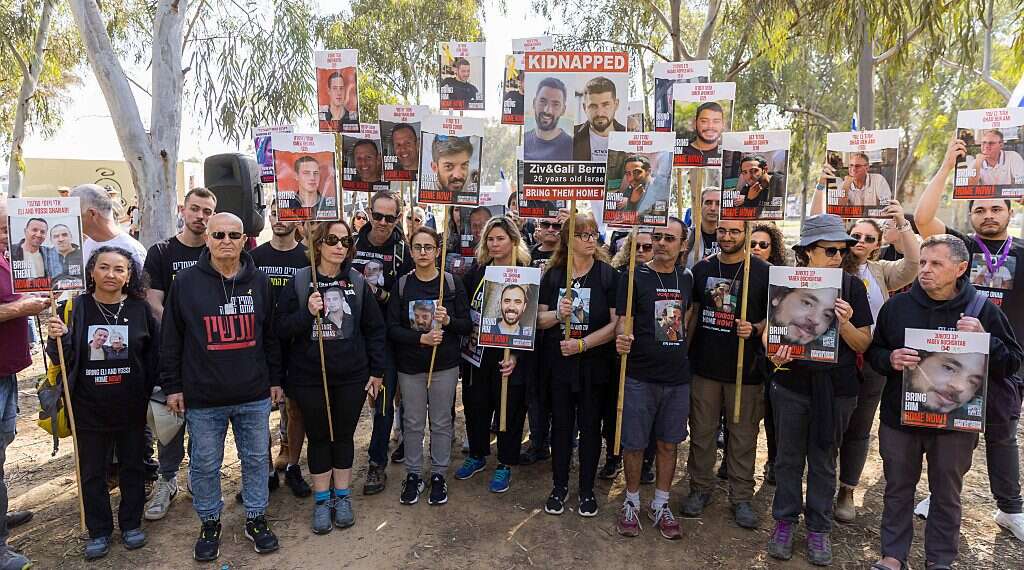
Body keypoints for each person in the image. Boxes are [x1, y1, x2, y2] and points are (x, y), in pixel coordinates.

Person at [867, 234, 1023, 570]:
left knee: (947, 494)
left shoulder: (983, 311)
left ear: (960, 267)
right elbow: (873, 353)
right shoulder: (897, 307)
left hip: (955, 424)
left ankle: (940, 560)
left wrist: (985, 340)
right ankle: (893, 556)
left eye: (936, 263)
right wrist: (890, 359)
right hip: (901, 419)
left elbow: (1012, 362)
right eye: (923, 262)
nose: (925, 270)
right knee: (897, 488)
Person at [914, 136, 1024, 540]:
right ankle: (941, 496)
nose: (988, 214)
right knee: (947, 433)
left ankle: (1010, 509)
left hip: (1004, 361)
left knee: (1002, 436)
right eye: (980, 208)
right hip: (955, 359)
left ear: (1011, 210)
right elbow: (923, 219)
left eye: (997, 208)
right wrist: (947, 165)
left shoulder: (1022, 251)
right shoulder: (960, 247)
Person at [160, 213, 284, 562]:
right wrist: (173, 387)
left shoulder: (259, 282)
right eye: (218, 234)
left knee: (258, 460)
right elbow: (171, 339)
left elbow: (271, 336)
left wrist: (276, 380)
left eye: (233, 234)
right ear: (208, 239)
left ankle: (256, 517)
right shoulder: (184, 282)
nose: (225, 240)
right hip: (203, 397)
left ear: (245, 239)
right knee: (203, 464)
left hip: (254, 394)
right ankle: (210, 522)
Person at [763, 214, 872, 566]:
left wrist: (843, 324)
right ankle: (784, 522)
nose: (838, 256)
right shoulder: (785, 282)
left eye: (842, 250)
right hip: (792, 385)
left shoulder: (853, 287)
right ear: (808, 252)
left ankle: (818, 529)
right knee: (788, 458)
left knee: (824, 461)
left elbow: (863, 343)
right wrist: (774, 351)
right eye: (830, 250)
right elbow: (769, 335)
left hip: (836, 390)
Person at [809, 191, 921, 522]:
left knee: (858, 428)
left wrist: (902, 222)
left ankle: (846, 490)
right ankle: (820, 488)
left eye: (868, 238)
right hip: (827, 356)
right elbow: (812, 232)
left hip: (869, 359)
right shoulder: (826, 262)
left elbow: (914, 263)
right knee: (825, 425)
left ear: (877, 244)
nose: (860, 241)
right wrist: (821, 188)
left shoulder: (882, 271)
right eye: (855, 235)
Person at [46, 247, 159, 561]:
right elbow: (61, 357)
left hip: (131, 407)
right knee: (93, 472)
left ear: (129, 276)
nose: (111, 275)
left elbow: (153, 355)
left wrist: (146, 392)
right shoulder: (74, 307)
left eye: (119, 269)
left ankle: (131, 523)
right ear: (91, 271)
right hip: (87, 407)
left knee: (133, 468)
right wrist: (58, 337)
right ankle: (98, 530)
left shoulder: (140, 309)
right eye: (104, 267)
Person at [276, 220, 385, 533]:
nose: (340, 246)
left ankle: (343, 497)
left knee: (343, 437)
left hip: (351, 376)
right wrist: (306, 313)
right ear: (319, 244)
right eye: (332, 240)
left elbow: (374, 329)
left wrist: (376, 371)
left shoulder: (357, 282)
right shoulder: (300, 282)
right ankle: (322, 500)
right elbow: (281, 329)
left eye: (345, 240)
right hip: (310, 376)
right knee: (320, 437)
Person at [681, 220, 770, 529]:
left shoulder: (763, 271)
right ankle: (700, 488)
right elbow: (691, 316)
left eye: (735, 231)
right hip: (705, 368)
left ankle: (741, 496)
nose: (728, 236)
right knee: (702, 432)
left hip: (746, 371)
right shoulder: (702, 269)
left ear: (745, 233)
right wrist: (684, 355)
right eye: (722, 230)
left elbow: (776, 318)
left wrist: (756, 328)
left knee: (743, 435)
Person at [613, 217, 693, 540]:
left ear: (682, 245)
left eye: (669, 238)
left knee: (668, 442)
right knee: (633, 443)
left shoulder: (686, 278)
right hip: (639, 375)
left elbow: (688, 317)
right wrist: (622, 338)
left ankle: (660, 503)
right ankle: (631, 500)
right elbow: (623, 322)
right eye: (657, 237)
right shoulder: (634, 277)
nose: (661, 243)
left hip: (676, 378)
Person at [140, 187, 217, 520]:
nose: (201, 217)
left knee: (203, 423)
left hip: (210, 359)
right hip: (171, 354)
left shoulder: (218, 250)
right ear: (183, 210)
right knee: (170, 421)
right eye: (195, 209)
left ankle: (197, 479)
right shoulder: (161, 252)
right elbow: (153, 300)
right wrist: (182, 329)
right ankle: (166, 479)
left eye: (208, 211)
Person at [536, 213, 618, 517]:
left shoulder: (608, 275)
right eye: (583, 235)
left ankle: (585, 490)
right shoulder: (554, 275)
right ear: (569, 240)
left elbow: (615, 326)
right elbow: (538, 320)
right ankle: (559, 486)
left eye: (593, 234)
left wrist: (582, 344)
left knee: (590, 427)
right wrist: (558, 314)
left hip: (594, 364)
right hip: (559, 364)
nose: (590, 239)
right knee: (560, 427)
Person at [387, 227, 471, 506]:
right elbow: (392, 329)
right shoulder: (402, 285)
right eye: (417, 247)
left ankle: (438, 473)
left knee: (441, 421)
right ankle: (413, 474)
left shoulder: (451, 284)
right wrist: (420, 337)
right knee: (412, 421)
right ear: (410, 252)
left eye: (428, 247)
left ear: (438, 251)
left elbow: (466, 325)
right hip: (410, 367)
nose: (423, 253)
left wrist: (448, 322)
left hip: (444, 365)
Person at [454, 217, 523, 492]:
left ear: (513, 240)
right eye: (490, 239)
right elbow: (464, 308)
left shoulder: (524, 273)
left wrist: (516, 355)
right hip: (477, 353)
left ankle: (505, 462)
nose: (495, 244)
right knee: (476, 405)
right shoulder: (477, 272)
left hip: (508, 357)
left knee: (509, 407)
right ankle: (477, 454)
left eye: (500, 238)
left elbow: (528, 321)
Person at [354, 191, 414, 494]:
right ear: (368, 212)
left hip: (385, 339)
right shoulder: (350, 243)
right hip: (349, 336)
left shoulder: (403, 251)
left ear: (398, 218)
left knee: (383, 401)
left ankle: (377, 463)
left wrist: (377, 295)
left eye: (389, 218)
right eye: (377, 215)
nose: (382, 222)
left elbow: (403, 301)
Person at [0, 198, 49, 570]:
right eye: (3, 227)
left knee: (3, 447)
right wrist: (22, 308)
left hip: (6, 371)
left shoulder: (7, 257)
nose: (7, 234)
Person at [250, 201, 312, 497]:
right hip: (260, 346)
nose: (278, 219)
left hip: (297, 343)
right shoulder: (253, 256)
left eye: (286, 213)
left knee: (295, 408)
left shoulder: (307, 257)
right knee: (258, 412)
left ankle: (292, 466)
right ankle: (263, 471)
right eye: (274, 212)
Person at [602, 229, 656, 483]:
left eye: (648, 247)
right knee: (615, 409)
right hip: (620, 355)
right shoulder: (618, 277)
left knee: (648, 414)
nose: (643, 252)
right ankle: (613, 455)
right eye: (638, 247)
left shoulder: (666, 277)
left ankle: (645, 461)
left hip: (650, 358)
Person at [71, 184, 147, 268]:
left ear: (92, 213)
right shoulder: (88, 243)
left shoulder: (133, 251)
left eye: (75, 214)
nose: (71, 219)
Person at [573, 77, 625, 162]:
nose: (600, 113)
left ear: (616, 104)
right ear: (584, 108)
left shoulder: (628, 135)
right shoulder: (570, 138)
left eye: (605, 105)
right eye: (593, 106)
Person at [524, 77, 573, 160]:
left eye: (555, 104)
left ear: (563, 110)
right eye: (542, 101)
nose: (547, 110)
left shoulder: (572, 147)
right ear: (534, 103)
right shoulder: (523, 141)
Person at [819, 152, 892, 206]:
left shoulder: (878, 180)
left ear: (867, 168)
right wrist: (846, 187)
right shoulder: (843, 185)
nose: (853, 169)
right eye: (851, 165)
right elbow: (838, 210)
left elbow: (886, 205)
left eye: (857, 166)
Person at [615, 155, 664, 220]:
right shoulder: (631, 188)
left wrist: (632, 203)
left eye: (637, 172)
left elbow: (657, 219)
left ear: (648, 172)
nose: (631, 178)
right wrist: (632, 202)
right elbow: (621, 218)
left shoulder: (659, 190)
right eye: (628, 173)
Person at [676, 101, 725, 166]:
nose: (710, 126)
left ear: (722, 125)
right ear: (694, 123)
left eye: (716, 121)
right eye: (704, 121)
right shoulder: (680, 152)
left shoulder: (726, 153)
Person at [687, 187, 722, 267]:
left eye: (718, 203)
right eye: (708, 203)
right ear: (700, 206)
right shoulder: (688, 236)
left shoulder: (729, 237)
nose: (713, 208)